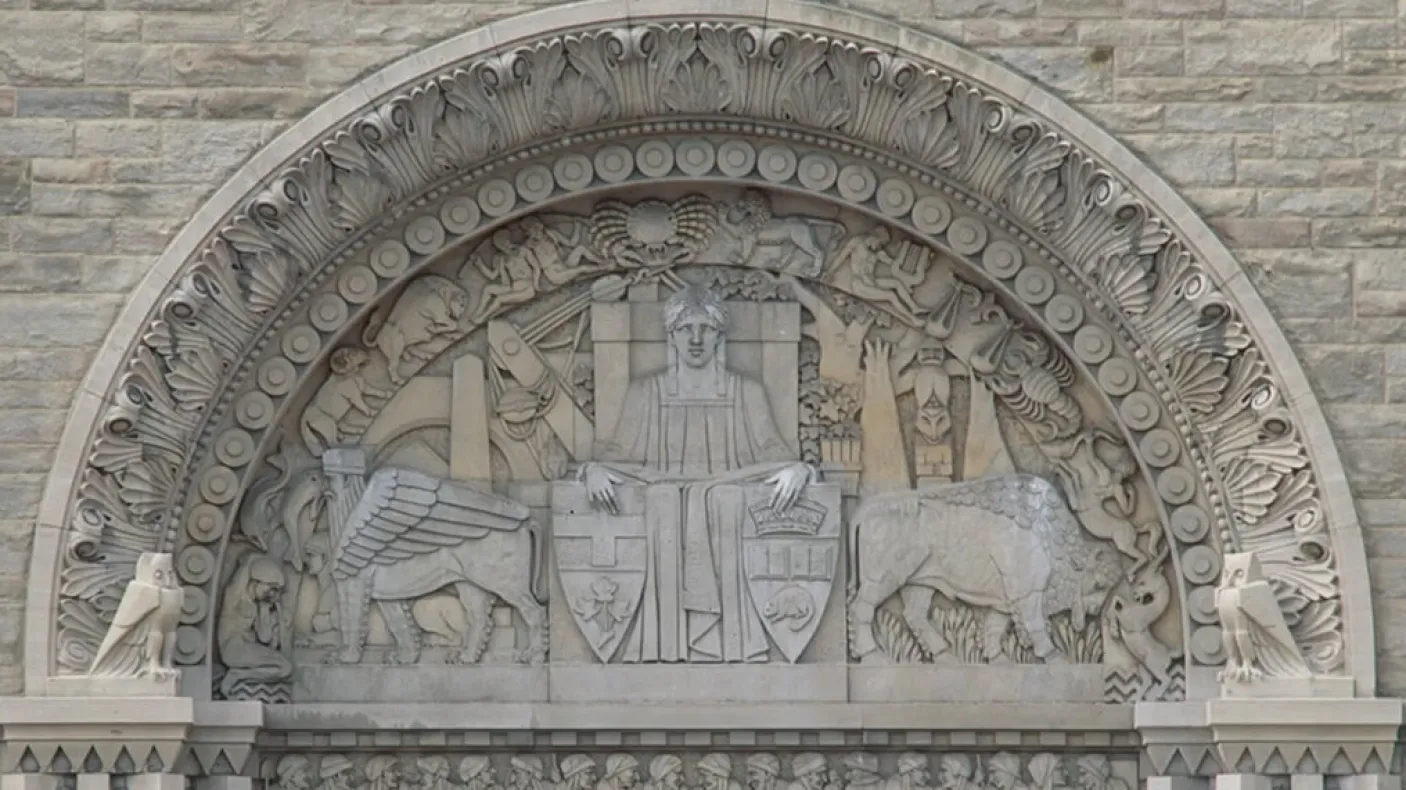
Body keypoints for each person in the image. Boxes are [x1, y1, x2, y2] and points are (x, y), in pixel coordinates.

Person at [582, 286, 815, 663]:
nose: (695, 338)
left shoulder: (746, 393)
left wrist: (797, 470)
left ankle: (736, 645)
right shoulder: (646, 393)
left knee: (725, 498)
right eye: (685, 328)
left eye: (705, 328)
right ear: (670, 335)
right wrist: (592, 471)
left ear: (720, 336)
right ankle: (663, 647)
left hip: (728, 511)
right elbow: (617, 458)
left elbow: (775, 455)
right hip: (664, 516)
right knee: (663, 500)